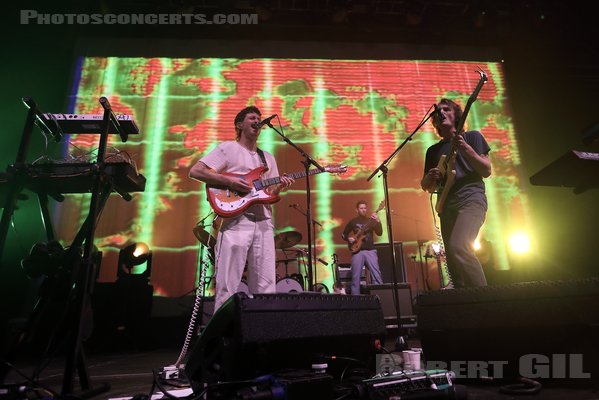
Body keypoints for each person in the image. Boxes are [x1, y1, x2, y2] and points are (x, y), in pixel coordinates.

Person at [189, 106, 294, 311]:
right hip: (236, 221)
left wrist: (279, 185)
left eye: (259, 118)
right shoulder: (228, 148)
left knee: (265, 286)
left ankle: (261, 334)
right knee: (228, 283)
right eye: (252, 118)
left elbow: (270, 192)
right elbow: (196, 171)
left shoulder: (267, 157)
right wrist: (230, 183)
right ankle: (222, 336)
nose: (257, 121)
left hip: (263, 224)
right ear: (239, 125)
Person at [420, 98, 491, 288]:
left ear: (456, 114)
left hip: (471, 199)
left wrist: (466, 149)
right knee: (453, 263)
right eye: (437, 112)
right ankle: (463, 310)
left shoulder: (472, 137)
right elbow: (425, 185)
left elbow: (486, 170)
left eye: (446, 109)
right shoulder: (432, 151)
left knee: (460, 246)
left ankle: (489, 304)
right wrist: (431, 176)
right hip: (446, 205)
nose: (441, 113)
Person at [342, 201, 384, 294]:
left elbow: (380, 233)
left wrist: (378, 221)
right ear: (357, 210)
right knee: (355, 278)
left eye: (365, 208)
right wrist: (349, 239)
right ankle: (356, 303)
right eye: (361, 208)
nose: (363, 210)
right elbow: (343, 234)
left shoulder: (372, 220)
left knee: (377, 276)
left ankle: (381, 299)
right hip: (357, 251)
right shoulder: (353, 222)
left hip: (370, 251)